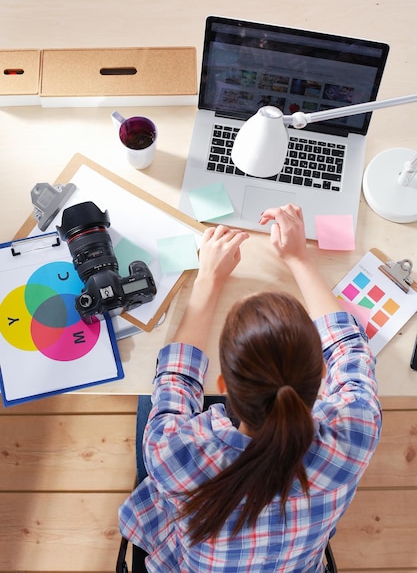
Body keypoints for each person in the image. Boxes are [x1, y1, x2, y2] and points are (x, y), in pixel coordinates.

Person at [119, 204, 382, 573]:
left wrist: (208, 280)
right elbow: (350, 349)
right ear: (322, 375)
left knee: (152, 401)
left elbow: (175, 380)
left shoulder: (174, 451)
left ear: (223, 387)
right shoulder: (354, 435)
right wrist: (300, 259)